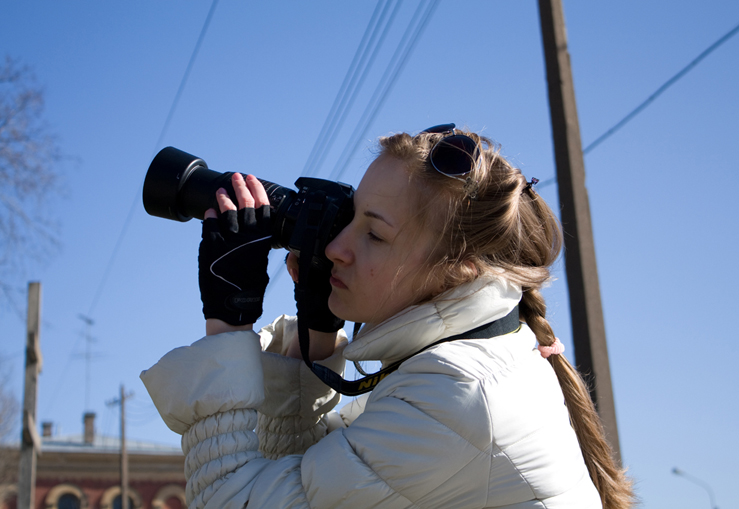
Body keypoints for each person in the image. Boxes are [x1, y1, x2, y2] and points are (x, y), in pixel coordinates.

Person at [141, 124, 634, 509]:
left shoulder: (453, 395)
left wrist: (229, 321)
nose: (335, 247)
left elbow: (232, 500)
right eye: (350, 217)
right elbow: (302, 480)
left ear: (456, 271)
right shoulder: (481, 360)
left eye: (373, 235)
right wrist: (318, 334)